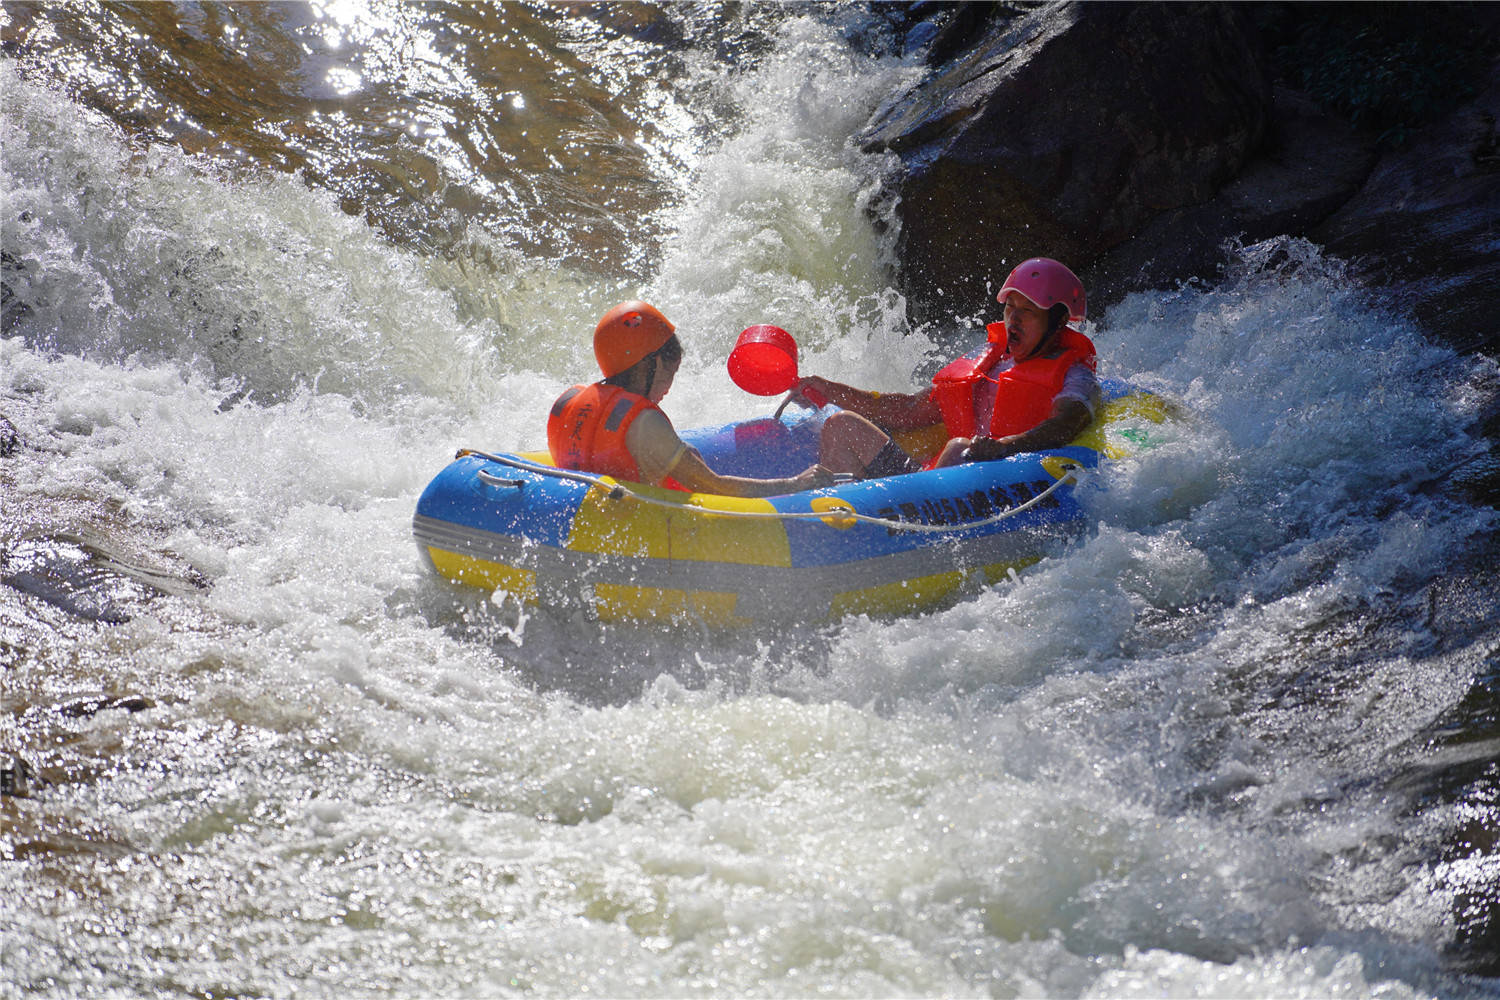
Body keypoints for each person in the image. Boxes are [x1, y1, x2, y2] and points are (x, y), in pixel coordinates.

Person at [798, 257, 1101, 478]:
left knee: (958, 447)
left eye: (1028, 312)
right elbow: (908, 410)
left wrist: (1002, 448)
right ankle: (838, 519)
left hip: (993, 484)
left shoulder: (1074, 375)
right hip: (930, 482)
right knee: (842, 425)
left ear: (1059, 322)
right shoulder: (988, 361)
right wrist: (828, 389)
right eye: (1011, 307)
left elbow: (1065, 424)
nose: (1014, 320)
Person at [548, 301, 834, 496]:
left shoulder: (566, 403)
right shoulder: (644, 423)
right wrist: (796, 484)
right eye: (670, 373)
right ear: (654, 363)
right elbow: (715, 487)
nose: (669, 387)